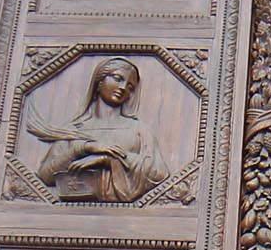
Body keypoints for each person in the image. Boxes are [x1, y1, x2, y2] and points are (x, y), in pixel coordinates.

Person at [32, 55, 169, 202]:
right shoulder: (74, 130)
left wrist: (108, 159)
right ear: (99, 81)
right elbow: (45, 176)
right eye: (117, 78)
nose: (123, 88)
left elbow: (158, 173)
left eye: (130, 87)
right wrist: (83, 149)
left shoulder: (138, 130)